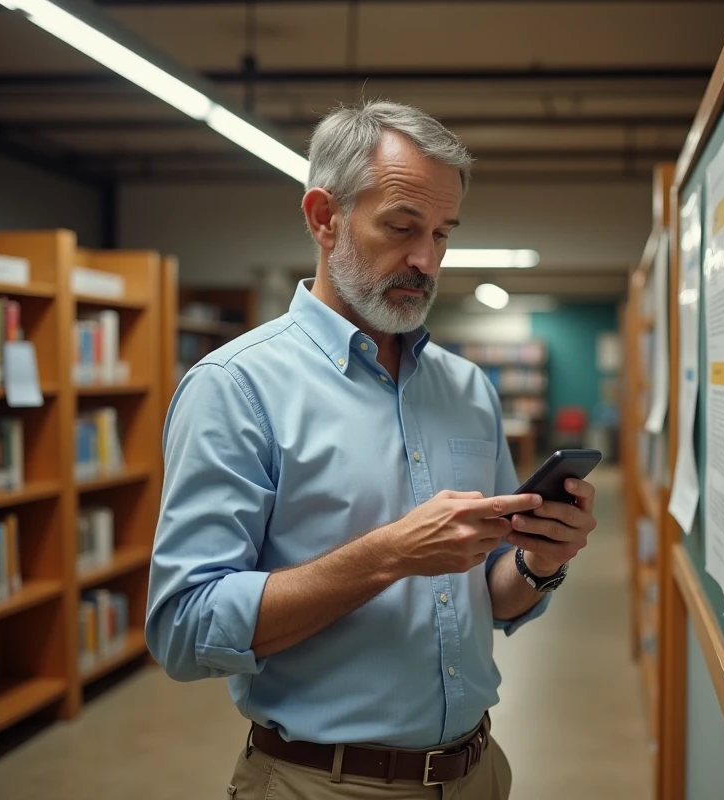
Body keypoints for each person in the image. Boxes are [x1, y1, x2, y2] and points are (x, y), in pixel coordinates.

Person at [145, 100, 599, 799]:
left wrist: (539, 561)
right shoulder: (236, 388)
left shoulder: (468, 388)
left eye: (443, 234)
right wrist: (388, 554)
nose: (427, 259)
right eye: (402, 227)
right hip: (318, 782)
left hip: (477, 772)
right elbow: (184, 627)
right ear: (324, 217)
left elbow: (489, 597)